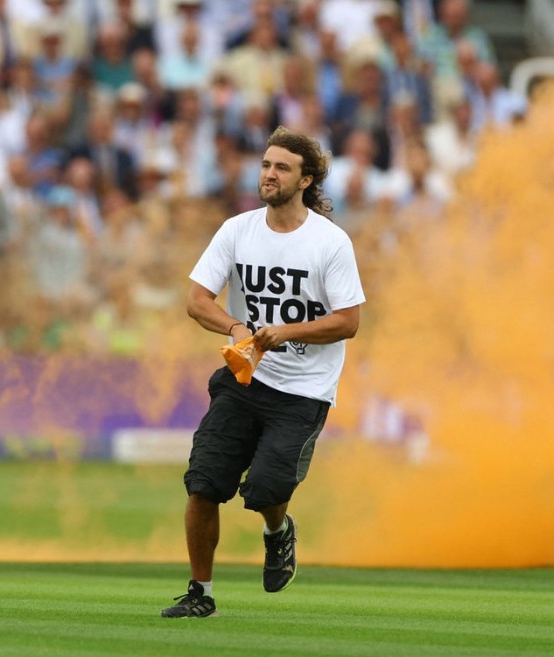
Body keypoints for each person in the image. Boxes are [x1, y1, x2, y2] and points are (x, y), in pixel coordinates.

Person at [161, 126, 365, 618]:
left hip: (302, 391)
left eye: (282, 168)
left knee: (266, 491)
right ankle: (200, 593)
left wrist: (285, 331)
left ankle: (278, 533)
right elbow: (196, 301)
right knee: (203, 483)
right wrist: (236, 327)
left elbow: (348, 321)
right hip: (244, 380)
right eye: (266, 165)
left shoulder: (330, 243)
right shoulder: (237, 229)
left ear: (306, 180)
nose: (269, 174)